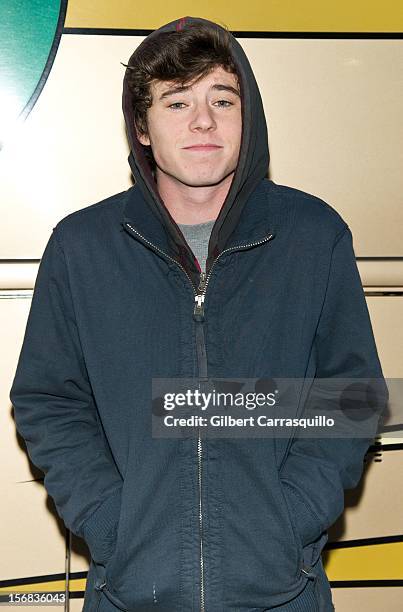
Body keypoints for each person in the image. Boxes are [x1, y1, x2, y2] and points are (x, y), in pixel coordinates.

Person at [10, 16, 388, 612]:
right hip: (130, 592)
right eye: (176, 101)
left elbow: (350, 395)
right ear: (142, 127)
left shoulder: (314, 238)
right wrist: (112, 522)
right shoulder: (82, 247)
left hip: (281, 592)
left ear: (250, 117)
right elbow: (49, 399)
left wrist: (291, 518)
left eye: (222, 98)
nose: (203, 120)